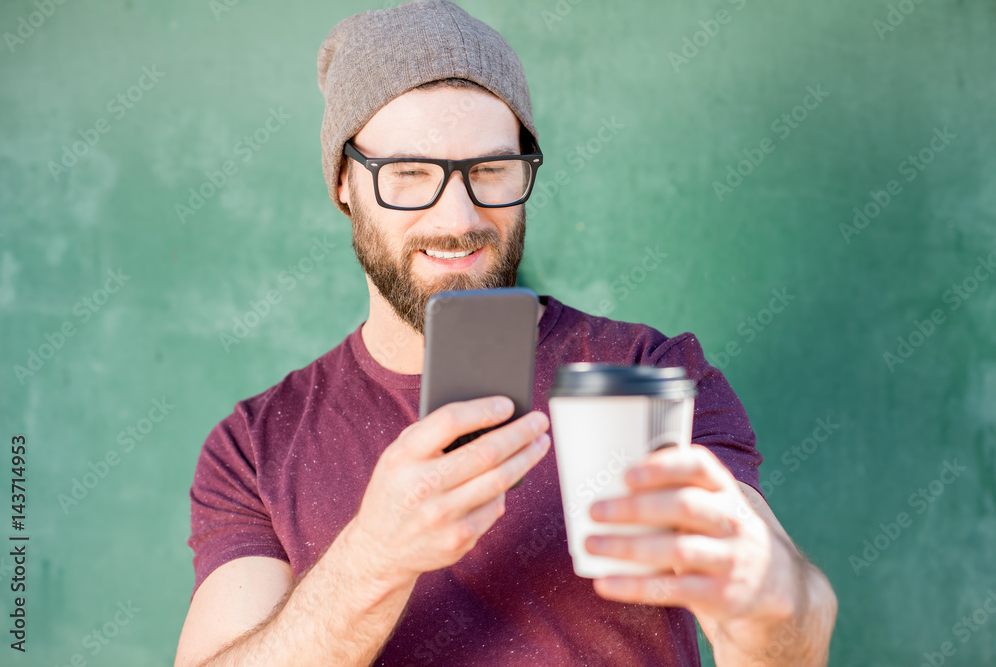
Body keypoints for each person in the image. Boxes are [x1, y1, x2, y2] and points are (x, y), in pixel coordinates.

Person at [174, 2, 837, 665]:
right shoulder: (257, 448)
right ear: (345, 182)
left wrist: (775, 606)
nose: (458, 217)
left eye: (491, 171)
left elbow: (790, 632)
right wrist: (373, 557)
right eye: (409, 175)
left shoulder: (648, 373)